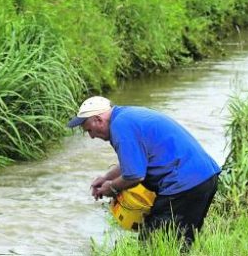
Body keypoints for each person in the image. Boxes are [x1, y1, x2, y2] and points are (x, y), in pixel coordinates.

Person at [67, 96, 221, 245]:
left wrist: (112, 187)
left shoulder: (120, 127)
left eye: (89, 130)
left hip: (184, 185)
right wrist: (106, 177)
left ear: (98, 120)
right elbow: (135, 161)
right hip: (204, 178)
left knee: (153, 245)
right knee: (180, 244)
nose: (92, 136)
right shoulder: (126, 117)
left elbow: (134, 175)